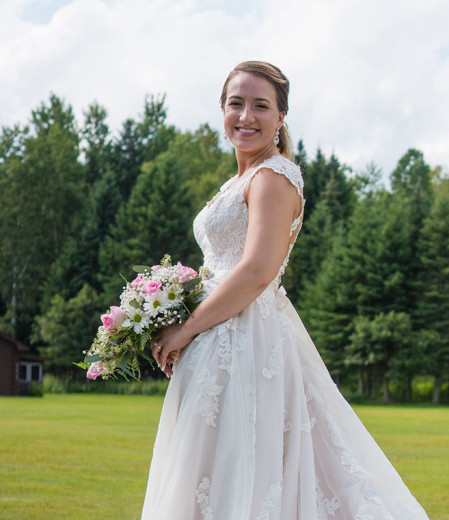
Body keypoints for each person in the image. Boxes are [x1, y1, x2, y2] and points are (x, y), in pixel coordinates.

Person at [141, 61, 429, 520]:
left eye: (261, 106)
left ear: (280, 118)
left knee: (246, 468)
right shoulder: (239, 180)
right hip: (219, 336)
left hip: (246, 340)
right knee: (212, 472)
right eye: (236, 104)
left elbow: (257, 270)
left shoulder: (273, 177)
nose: (246, 116)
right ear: (222, 109)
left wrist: (186, 328)